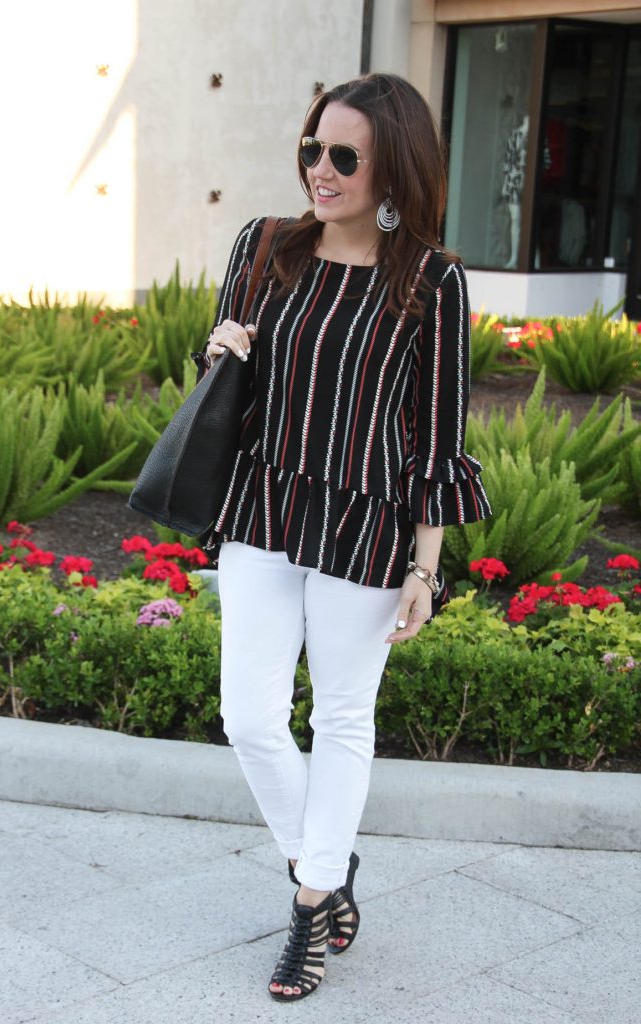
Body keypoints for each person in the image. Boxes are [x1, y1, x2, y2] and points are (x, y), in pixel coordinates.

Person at [190, 73, 492, 1002]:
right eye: (313, 149)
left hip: (366, 522)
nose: (322, 170)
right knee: (249, 716)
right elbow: (213, 373)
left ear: (393, 164)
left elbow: (438, 436)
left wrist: (425, 567)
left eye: (345, 156)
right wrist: (222, 348)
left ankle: (310, 905)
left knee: (342, 720)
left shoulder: (431, 281)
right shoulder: (265, 246)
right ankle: (320, 866)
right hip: (261, 507)